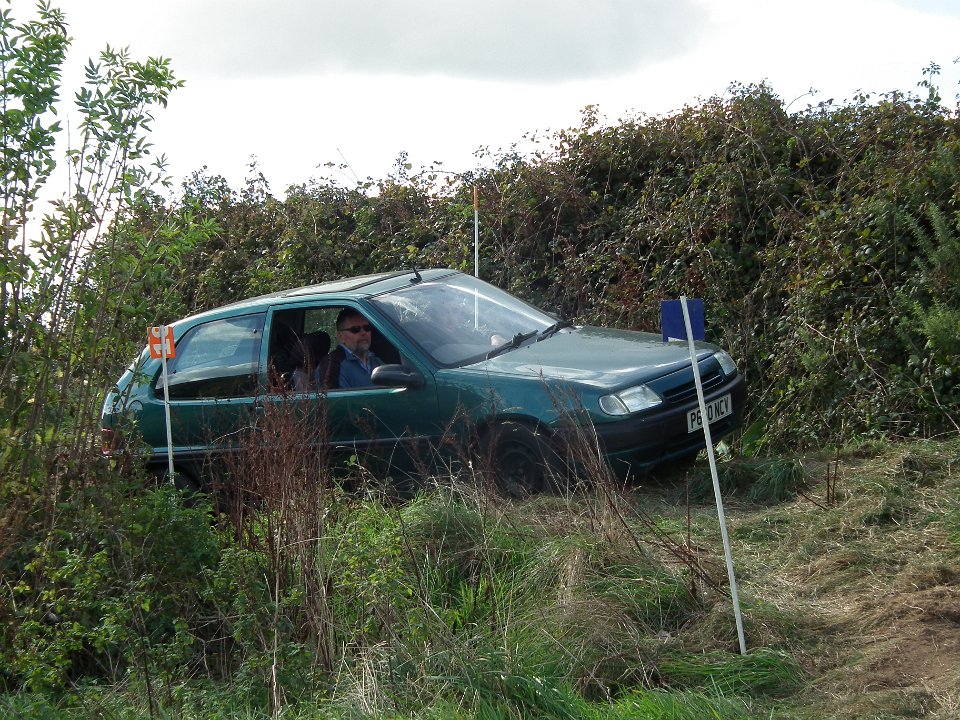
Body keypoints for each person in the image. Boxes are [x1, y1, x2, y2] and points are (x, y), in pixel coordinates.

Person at [315, 308, 382, 389]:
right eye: (355, 329)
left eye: (367, 328)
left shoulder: (377, 361)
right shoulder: (331, 366)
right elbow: (337, 401)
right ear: (340, 336)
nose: (363, 333)